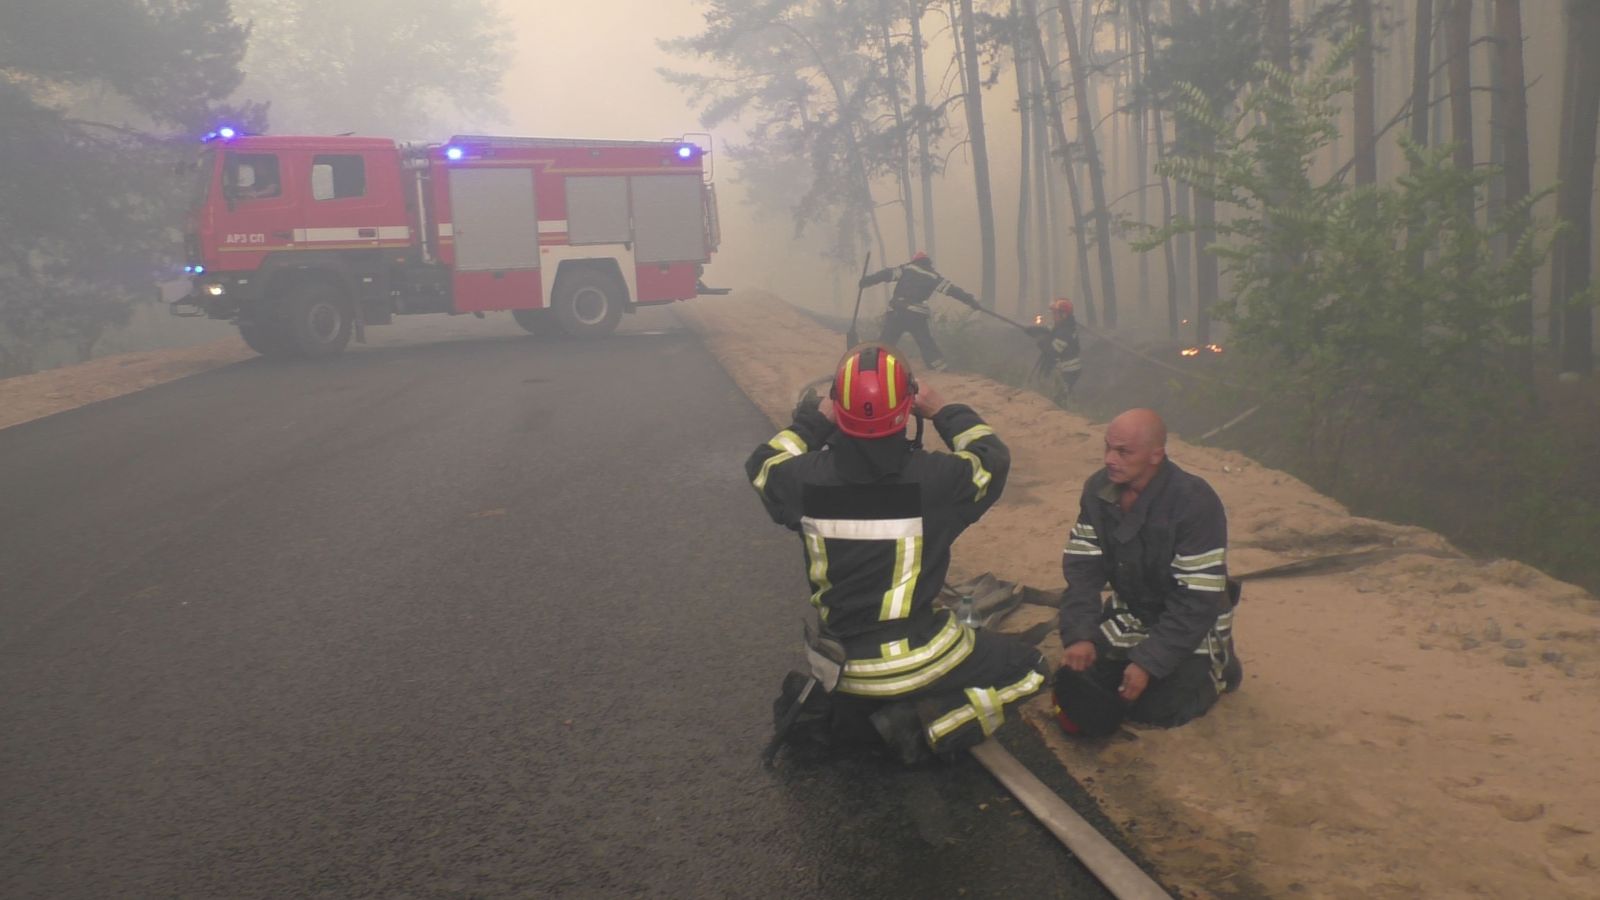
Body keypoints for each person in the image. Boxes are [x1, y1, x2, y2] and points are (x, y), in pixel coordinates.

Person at [746, 344, 1047, 763]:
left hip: (842, 667)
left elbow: (763, 463)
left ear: (838, 408)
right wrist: (943, 410)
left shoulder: (802, 481)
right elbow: (991, 457)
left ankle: (862, 721)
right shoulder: (938, 480)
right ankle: (928, 725)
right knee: (1032, 667)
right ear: (907, 410)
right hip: (915, 657)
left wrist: (815, 421)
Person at [1053, 408, 1241, 738]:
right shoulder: (1098, 489)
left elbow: (1197, 600)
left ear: (1156, 455)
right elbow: (1082, 569)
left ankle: (1220, 670)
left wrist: (1148, 663)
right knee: (1084, 682)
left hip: (1190, 621)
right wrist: (1079, 633)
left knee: (1155, 709)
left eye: (1123, 452)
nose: (1110, 459)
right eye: (1108, 447)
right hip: (1132, 611)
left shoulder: (1194, 502)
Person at [859, 252, 979, 372]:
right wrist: (971, 301)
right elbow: (953, 291)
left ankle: (873, 366)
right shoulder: (933, 276)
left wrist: (867, 281)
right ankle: (940, 368)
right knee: (926, 343)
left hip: (897, 312)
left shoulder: (907, 268)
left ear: (915, 261)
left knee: (886, 342)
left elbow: (886, 274)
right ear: (928, 263)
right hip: (916, 316)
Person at [1024, 298, 1084, 403]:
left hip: (1069, 371)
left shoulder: (1065, 332)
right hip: (1064, 369)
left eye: (1055, 313)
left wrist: (1041, 341)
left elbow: (1052, 352)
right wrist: (1032, 330)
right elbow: (1047, 329)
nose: (1053, 316)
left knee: (1060, 397)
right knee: (1060, 392)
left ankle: (1066, 406)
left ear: (1063, 315)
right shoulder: (1061, 326)